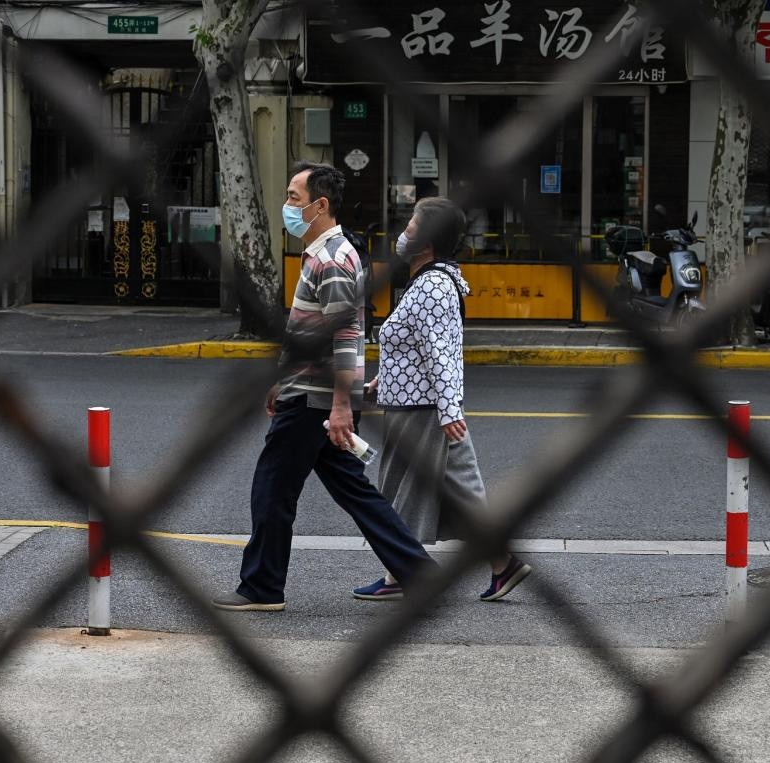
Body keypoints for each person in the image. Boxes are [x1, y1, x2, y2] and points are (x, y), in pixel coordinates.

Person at [213, 162, 436, 612]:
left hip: (315, 402)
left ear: (321, 205)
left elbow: (345, 336)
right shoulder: (324, 252)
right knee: (356, 491)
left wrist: (338, 407)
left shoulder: (331, 259)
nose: (287, 206)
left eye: (294, 198)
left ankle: (261, 587)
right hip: (311, 393)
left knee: (272, 490)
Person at [355, 197, 532, 603]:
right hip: (419, 403)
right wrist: (384, 380)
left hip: (422, 410)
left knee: (399, 490)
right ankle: (502, 563)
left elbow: (442, 353)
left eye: (413, 225)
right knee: (463, 494)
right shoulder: (427, 280)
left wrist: (449, 409)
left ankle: (400, 573)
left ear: (429, 240)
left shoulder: (433, 285)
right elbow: (417, 347)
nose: (405, 232)